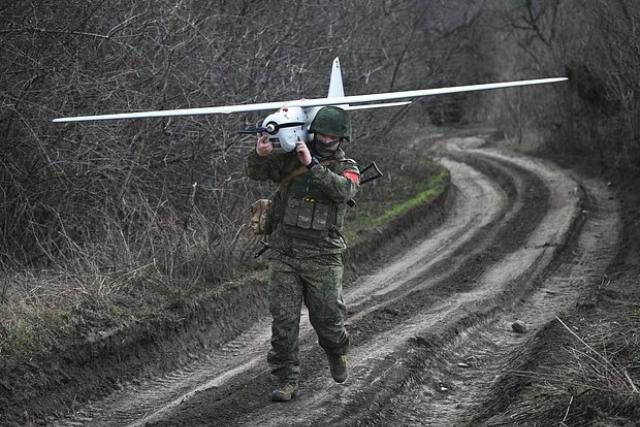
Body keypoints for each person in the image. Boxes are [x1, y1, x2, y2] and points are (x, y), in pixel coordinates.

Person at [245, 106, 360, 401]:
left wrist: (313, 166)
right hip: (285, 252)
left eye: (332, 135)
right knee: (283, 322)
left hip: (323, 256)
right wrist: (260, 154)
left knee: (328, 320)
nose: (326, 139)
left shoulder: (346, 166)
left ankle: (336, 352)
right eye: (322, 133)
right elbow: (256, 173)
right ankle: (286, 380)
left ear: (341, 138)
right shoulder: (291, 159)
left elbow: (344, 191)